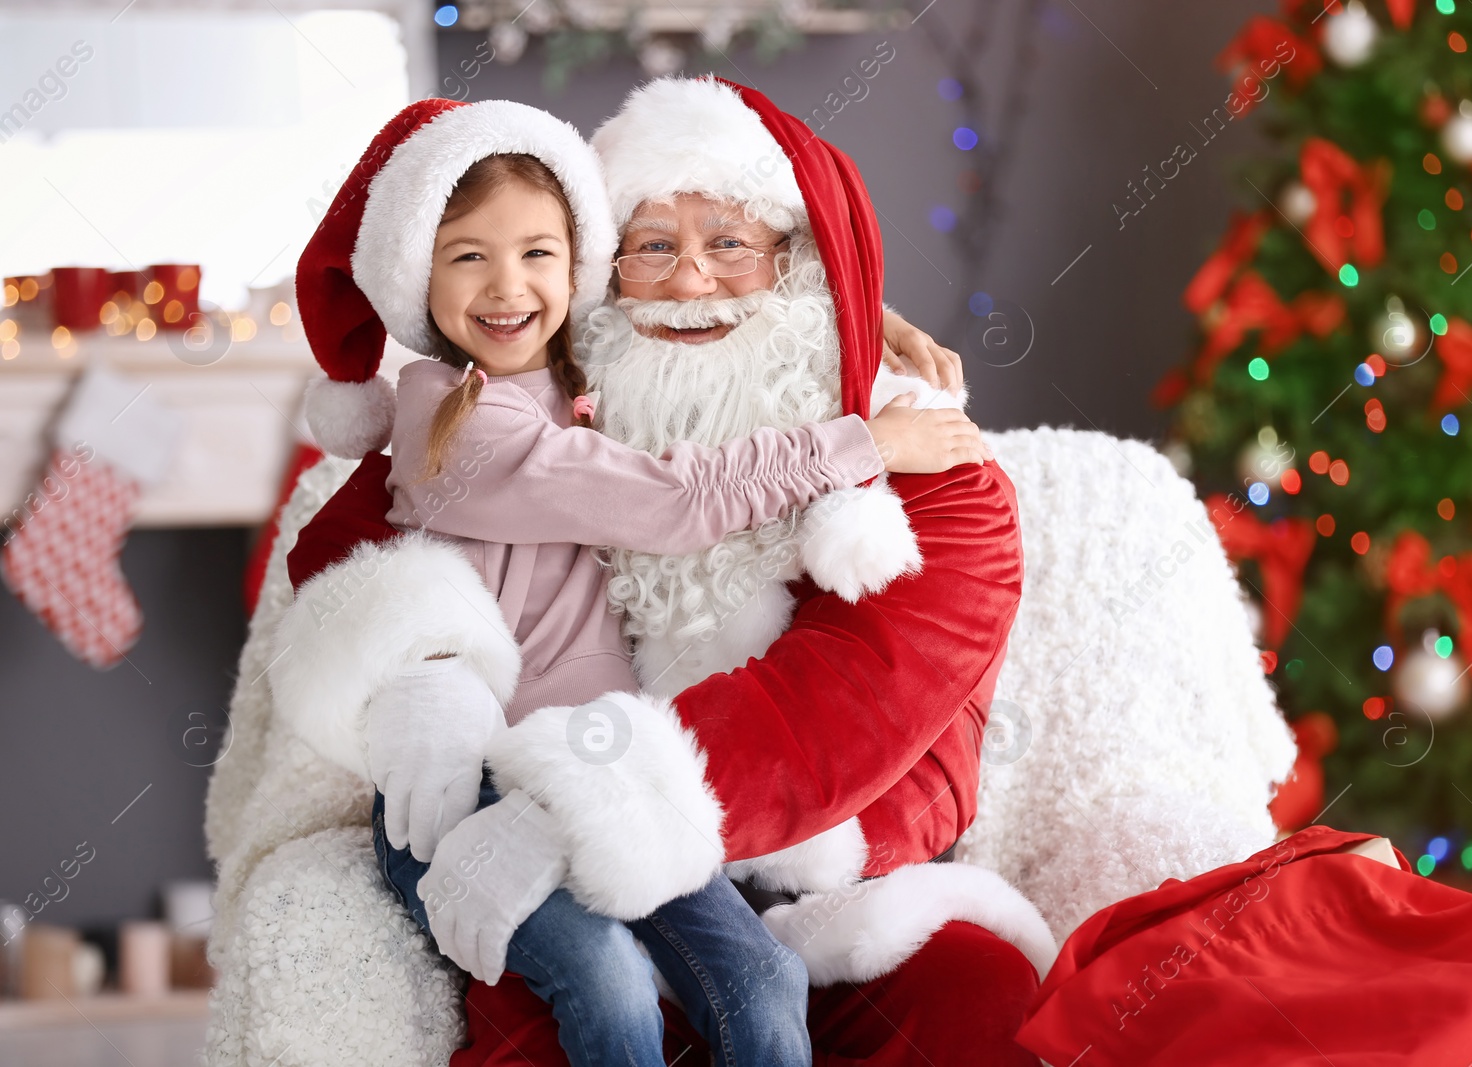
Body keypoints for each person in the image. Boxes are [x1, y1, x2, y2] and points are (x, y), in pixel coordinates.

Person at [274, 78, 1048, 1065]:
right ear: (607, 271)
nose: (690, 284)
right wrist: (423, 664)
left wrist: (573, 809)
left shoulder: (935, 471)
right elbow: (352, 540)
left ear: (794, 261)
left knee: (969, 998)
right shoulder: (539, 394)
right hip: (524, 801)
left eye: (730, 241)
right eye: (652, 246)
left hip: (825, 886)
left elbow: (822, 715)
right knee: (581, 1001)